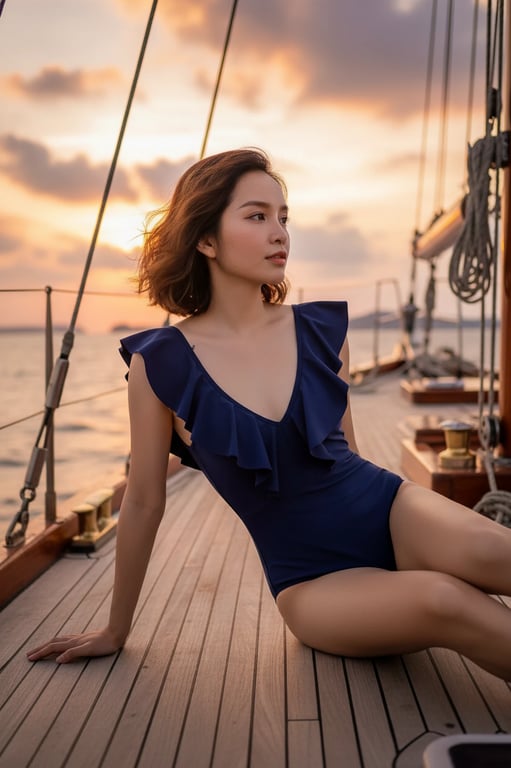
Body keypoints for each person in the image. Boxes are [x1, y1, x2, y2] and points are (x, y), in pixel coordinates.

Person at [27, 148, 511, 681]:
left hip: (389, 510)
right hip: (312, 581)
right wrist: (115, 630)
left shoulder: (321, 331)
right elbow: (142, 501)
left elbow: (344, 452)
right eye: (257, 216)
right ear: (206, 239)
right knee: (445, 598)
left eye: (283, 217)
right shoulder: (160, 364)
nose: (280, 232)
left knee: (500, 553)